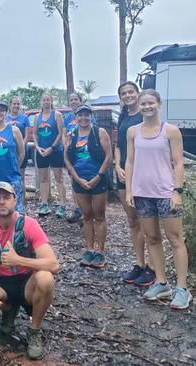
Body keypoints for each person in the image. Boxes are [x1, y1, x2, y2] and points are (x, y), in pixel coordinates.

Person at [0, 182, 59, 361]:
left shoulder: (29, 225)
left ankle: (34, 330)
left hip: (27, 282)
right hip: (1, 282)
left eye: (6, 197)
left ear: (15, 200)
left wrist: (18, 260)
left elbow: (53, 265)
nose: (2, 202)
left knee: (46, 279)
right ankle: (9, 309)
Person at [125, 89, 191, 310]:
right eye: (143, 104)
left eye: (151, 103)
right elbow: (130, 162)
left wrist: (177, 191)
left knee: (175, 239)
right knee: (152, 237)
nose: (147, 107)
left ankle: (182, 289)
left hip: (165, 192)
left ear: (159, 104)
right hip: (142, 192)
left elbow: (178, 162)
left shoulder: (170, 131)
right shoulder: (133, 131)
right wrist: (129, 190)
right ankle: (162, 282)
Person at [64, 105, 112, 269]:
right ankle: (89, 248)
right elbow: (67, 158)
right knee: (86, 216)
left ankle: (100, 251)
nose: (83, 118)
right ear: (75, 117)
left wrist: (99, 176)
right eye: (80, 115)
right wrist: (76, 178)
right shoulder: (71, 135)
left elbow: (108, 156)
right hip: (80, 181)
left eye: (86, 115)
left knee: (99, 215)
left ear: (91, 116)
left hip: (98, 179)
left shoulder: (99, 132)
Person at [116, 82, 154, 286]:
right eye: (124, 93)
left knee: (148, 222)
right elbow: (118, 145)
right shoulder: (123, 116)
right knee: (133, 221)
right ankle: (140, 263)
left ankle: (154, 267)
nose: (128, 95)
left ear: (137, 93)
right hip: (123, 175)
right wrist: (117, 166)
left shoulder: (145, 114)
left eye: (131, 92)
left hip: (142, 175)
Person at [32, 94, 66, 217]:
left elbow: (60, 133)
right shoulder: (37, 116)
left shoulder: (57, 115)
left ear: (51, 101)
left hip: (55, 151)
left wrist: (52, 147)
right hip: (41, 151)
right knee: (43, 178)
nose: (46, 102)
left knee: (59, 178)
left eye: (48, 99)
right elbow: (35, 134)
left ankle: (62, 205)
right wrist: (37, 146)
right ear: (41, 102)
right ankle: (44, 204)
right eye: (44, 100)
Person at [62, 93, 85, 224]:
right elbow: (64, 134)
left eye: (76, 99)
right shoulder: (68, 117)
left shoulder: (86, 115)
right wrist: (66, 147)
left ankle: (86, 210)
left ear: (80, 101)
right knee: (73, 180)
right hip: (72, 153)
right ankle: (77, 209)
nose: (74, 101)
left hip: (84, 152)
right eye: (71, 100)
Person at [6, 96, 31, 192]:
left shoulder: (24, 118)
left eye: (18, 104)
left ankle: (22, 202)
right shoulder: (5, 118)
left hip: (22, 152)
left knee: (20, 177)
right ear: (10, 105)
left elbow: (27, 135)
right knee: (9, 177)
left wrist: (21, 148)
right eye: (14, 104)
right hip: (9, 152)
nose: (16, 106)